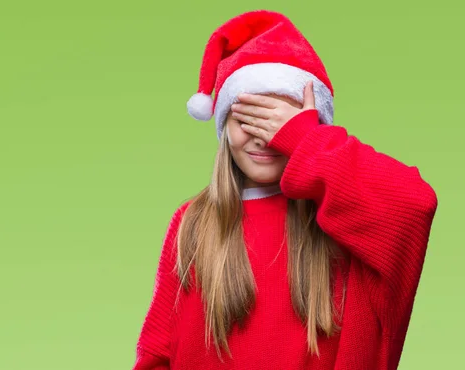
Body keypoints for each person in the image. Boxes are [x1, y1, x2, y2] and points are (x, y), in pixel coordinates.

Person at [132, 9, 438, 370]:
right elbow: (157, 356)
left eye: (281, 121)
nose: (265, 136)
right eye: (248, 117)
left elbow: (415, 204)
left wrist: (307, 140)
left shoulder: (349, 228)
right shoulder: (191, 224)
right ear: (224, 125)